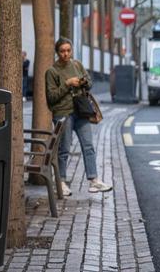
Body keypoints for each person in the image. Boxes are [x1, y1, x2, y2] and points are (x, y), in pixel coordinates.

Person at [45, 38, 111, 195]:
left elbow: (89, 83)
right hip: (63, 113)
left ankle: (94, 181)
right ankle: (61, 182)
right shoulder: (52, 71)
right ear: (57, 52)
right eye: (62, 51)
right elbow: (51, 98)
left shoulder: (77, 65)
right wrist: (67, 84)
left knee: (88, 145)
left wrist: (83, 82)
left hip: (80, 111)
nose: (66, 54)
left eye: (68, 50)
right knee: (64, 149)